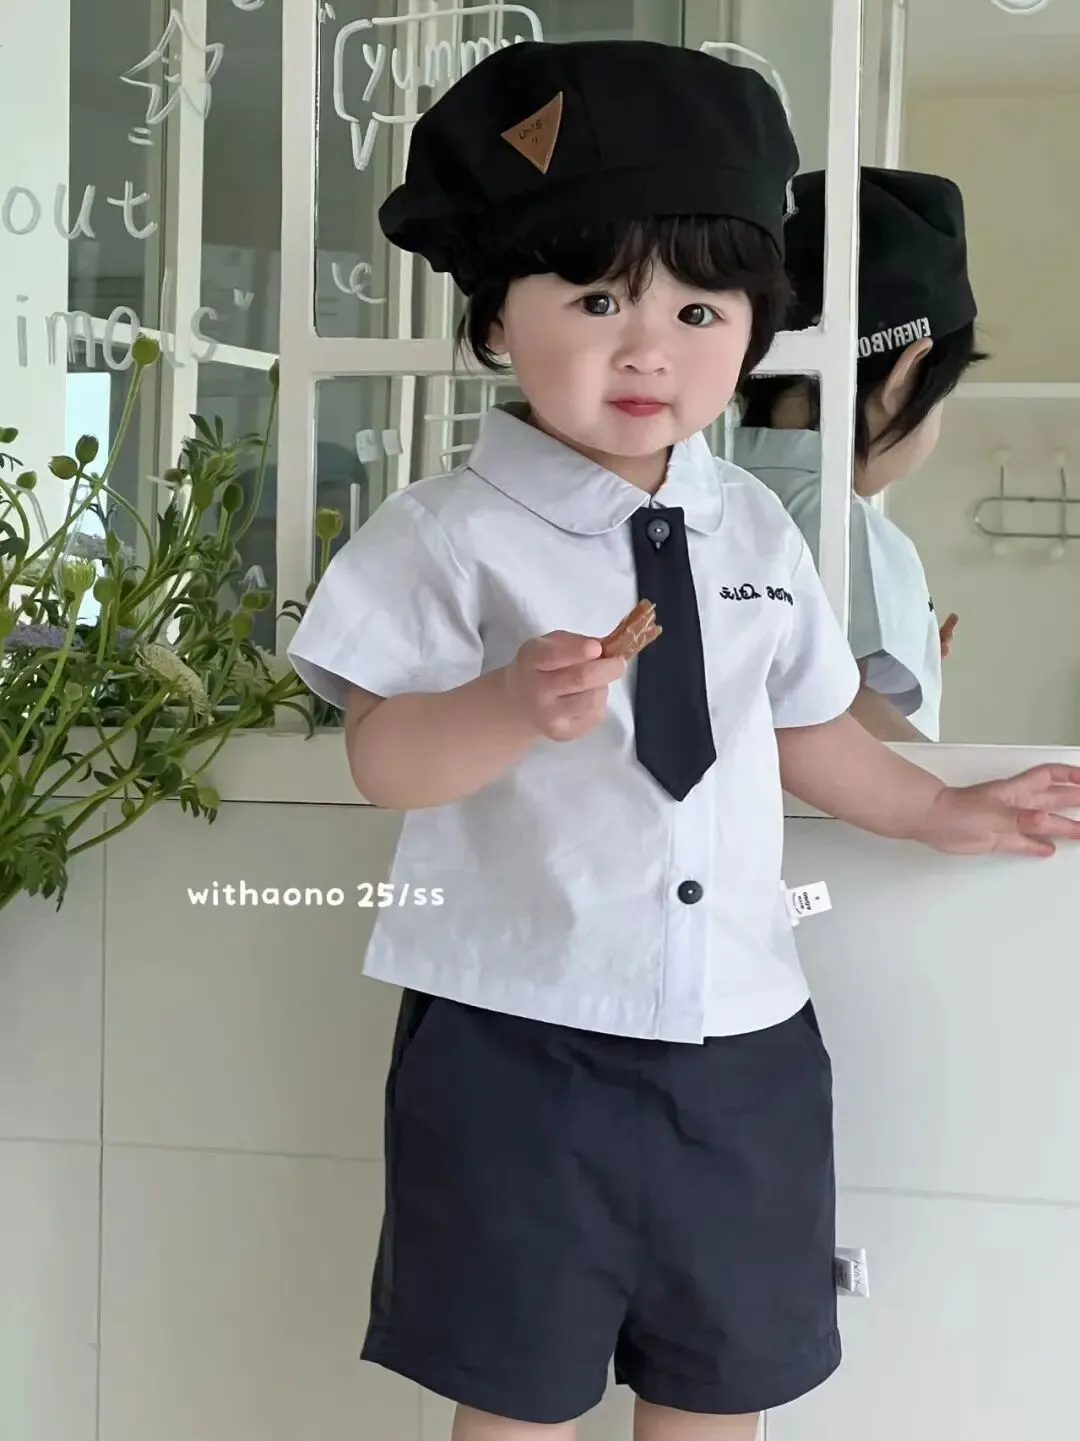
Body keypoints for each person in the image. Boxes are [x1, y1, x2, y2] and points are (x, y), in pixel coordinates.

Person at [285, 41, 1080, 1441]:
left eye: (702, 308)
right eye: (597, 297)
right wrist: (506, 707)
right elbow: (383, 763)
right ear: (497, 321)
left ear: (754, 330)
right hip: (519, 1043)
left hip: (743, 1041)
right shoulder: (447, 535)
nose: (649, 347)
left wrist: (939, 809)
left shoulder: (759, 527)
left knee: (722, 1389)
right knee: (516, 1397)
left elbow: (804, 726)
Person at [733, 167, 986, 742]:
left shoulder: (704, 479)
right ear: (907, 374)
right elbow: (843, 720)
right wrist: (957, 783)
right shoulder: (846, 532)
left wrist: (905, 644)